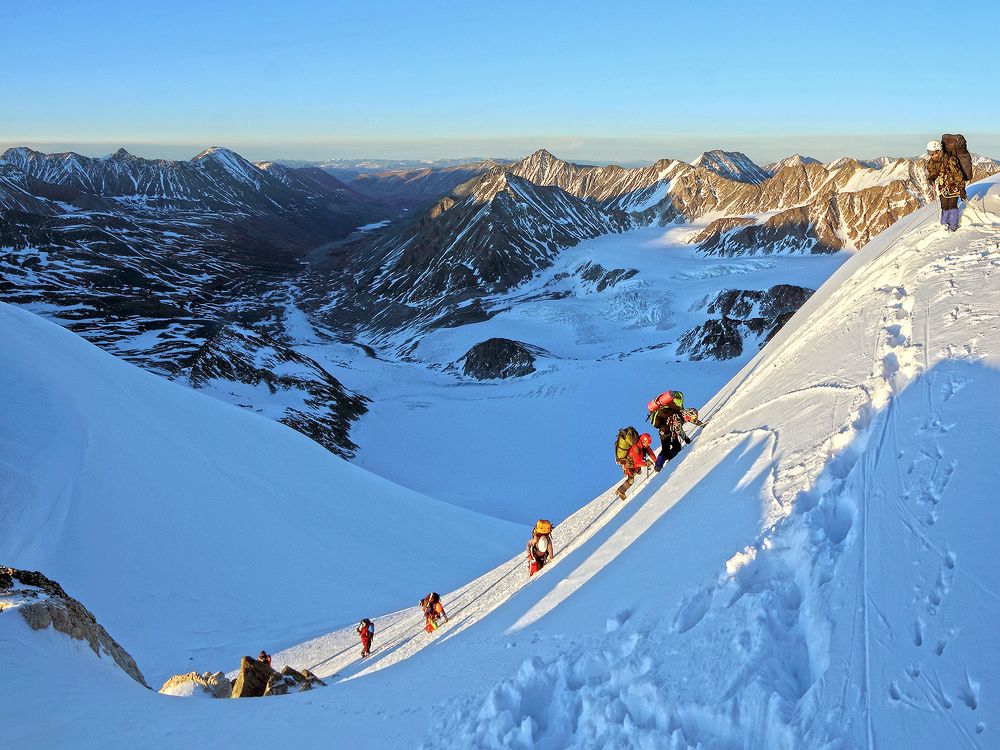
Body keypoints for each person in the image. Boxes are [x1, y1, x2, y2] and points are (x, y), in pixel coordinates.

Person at [925, 139, 966, 232]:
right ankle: (944, 224)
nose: (931, 155)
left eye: (932, 153)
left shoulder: (950, 159)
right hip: (943, 186)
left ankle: (953, 226)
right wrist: (931, 178)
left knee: (952, 205)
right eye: (929, 153)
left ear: (938, 150)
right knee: (944, 205)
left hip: (954, 185)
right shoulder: (933, 162)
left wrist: (962, 188)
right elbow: (933, 172)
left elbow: (958, 174)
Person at [650, 406, 704, 472]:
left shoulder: (682, 414)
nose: (691, 420)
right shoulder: (679, 417)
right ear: (689, 414)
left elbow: (692, 420)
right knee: (665, 449)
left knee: (677, 447)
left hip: (670, 431)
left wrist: (702, 425)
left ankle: (670, 457)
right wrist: (687, 440)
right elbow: (680, 431)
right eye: (692, 417)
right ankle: (658, 466)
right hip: (665, 431)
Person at [616, 432, 656, 500]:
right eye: (647, 443)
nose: (648, 445)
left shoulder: (643, 446)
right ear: (644, 441)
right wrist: (646, 463)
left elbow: (650, 452)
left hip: (634, 464)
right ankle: (620, 491)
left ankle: (620, 491)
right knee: (631, 480)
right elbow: (637, 462)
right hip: (630, 465)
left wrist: (656, 461)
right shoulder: (636, 448)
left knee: (637, 473)